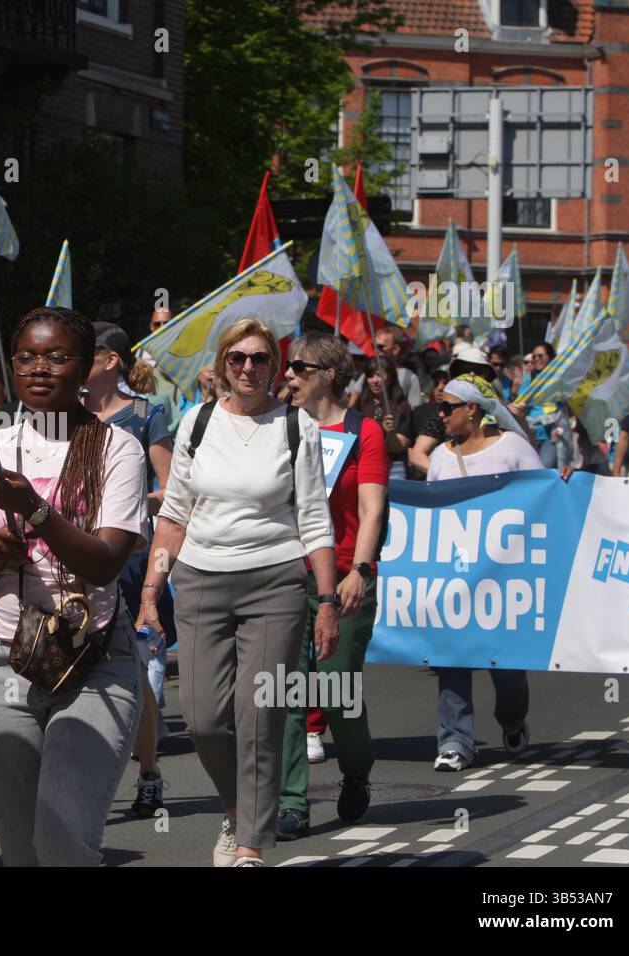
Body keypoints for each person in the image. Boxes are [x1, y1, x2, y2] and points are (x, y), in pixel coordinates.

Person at [0, 306, 149, 867]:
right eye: (27, 357)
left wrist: (35, 512)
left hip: (94, 661)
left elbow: (108, 562)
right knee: (21, 855)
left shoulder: (117, 449)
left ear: (84, 368)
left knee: (63, 843)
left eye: (57, 357)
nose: (40, 368)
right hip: (6, 663)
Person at [137, 318, 339, 866]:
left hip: (275, 583)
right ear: (223, 363)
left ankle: (249, 844)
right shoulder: (196, 423)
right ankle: (235, 809)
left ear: (275, 366)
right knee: (202, 717)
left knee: (259, 714)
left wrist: (326, 600)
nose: (249, 368)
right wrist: (152, 589)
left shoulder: (297, 426)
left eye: (260, 359)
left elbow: (316, 523)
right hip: (200, 581)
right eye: (237, 358)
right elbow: (174, 515)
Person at [274, 333, 388, 839]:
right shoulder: (278, 427)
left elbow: (370, 509)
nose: (289, 375)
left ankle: (357, 768)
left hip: (343, 576)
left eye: (300, 367)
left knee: (336, 688)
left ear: (330, 376)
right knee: (289, 690)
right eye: (288, 367)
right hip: (283, 577)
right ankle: (292, 800)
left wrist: (360, 571)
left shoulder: (363, 430)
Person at [83, 321, 176, 818]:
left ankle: (149, 773)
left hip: (131, 560)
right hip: (78, 559)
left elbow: (170, 487)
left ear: (111, 360)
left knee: (136, 674)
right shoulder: (69, 413)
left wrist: (126, 498)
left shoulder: (145, 412)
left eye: (87, 352)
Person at [427, 373, 541, 771]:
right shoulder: (441, 456)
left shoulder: (512, 448)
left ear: (471, 409)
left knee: (505, 663)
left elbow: (540, 496)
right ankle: (455, 740)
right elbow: (430, 514)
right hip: (454, 577)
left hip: (503, 577)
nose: (439, 415)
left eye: (447, 407)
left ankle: (511, 719)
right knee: (451, 658)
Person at [353, 356, 411, 480]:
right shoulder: (359, 404)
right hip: (364, 463)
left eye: (379, 375)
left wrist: (388, 433)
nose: (374, 380)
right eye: (370, 376)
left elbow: (399, 447)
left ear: (390, 377)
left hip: (393, 465)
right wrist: (381, 429)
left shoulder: (402, 406)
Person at [402, 368, 450, 479]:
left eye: (445, 382)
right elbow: (411, 451)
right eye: (436, 383)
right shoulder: (418, 411)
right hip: (424, 479)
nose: (440, 387)